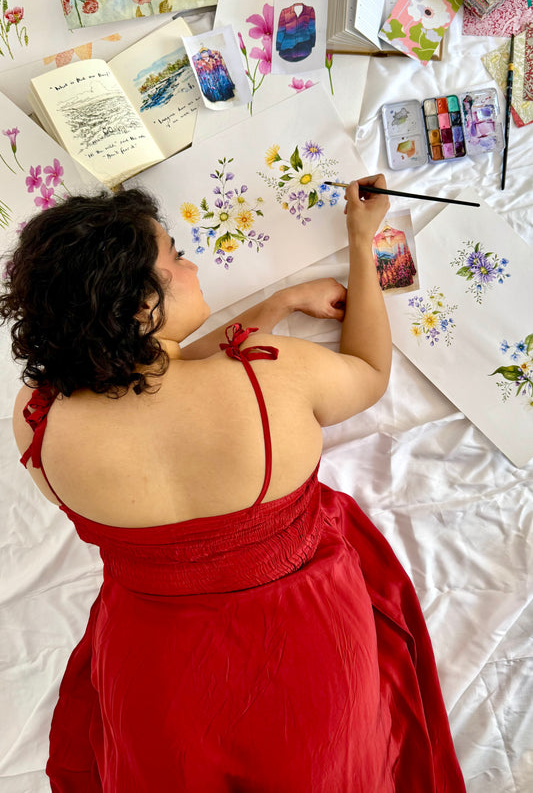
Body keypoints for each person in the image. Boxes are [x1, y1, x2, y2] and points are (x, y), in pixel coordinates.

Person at [0, 174, 466, 792]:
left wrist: (279, 304)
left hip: (154, 667)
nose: (193, 266)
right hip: (304, 641)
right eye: (176, 255)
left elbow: (155, 375)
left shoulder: (38, 415)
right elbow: (368, 370)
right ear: (139, 300)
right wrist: (361, 241)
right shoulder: (274, 374)